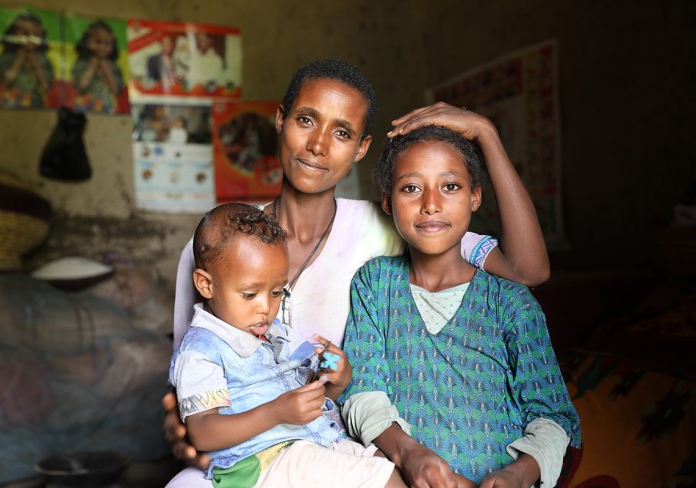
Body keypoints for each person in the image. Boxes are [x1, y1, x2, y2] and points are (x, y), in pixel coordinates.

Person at [164, 59, 551, 486]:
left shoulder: (394, 224)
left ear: (361, 148)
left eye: (342, 132)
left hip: (335, 452)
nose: (318, 145)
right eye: (306, 120)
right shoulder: (217, 246)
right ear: (280, 120)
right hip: (245, 453)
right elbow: (191, 372)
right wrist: (179, 429)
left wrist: (485, 132)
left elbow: (527, 268)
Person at [340, 125, 581, 487]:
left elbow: (553, 416)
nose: (431, 203)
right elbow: (362, 392)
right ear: (388, 202)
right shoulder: (375, 284)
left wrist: (518, 473)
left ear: (475, 197)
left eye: (450, 186)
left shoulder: (510, 301)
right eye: (411, 188)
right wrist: (407, 452)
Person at [170, 202, 405, 487]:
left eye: (277, 292)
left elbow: (317, 391)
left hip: (312, 440)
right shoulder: (201, 350)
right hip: (261, 460)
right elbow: (202, 432)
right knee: (382, 479)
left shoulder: (274, 332)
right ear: (206, 285)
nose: (265, 308)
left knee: (382, 462)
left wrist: (334, 374)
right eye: (249, 294)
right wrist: (275, 412)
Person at [0, 11, 54, 108]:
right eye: (25, 34)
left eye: (36, 35)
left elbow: (45, 85)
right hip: (12, 102)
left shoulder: (43, 59)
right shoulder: (7, 56)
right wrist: (19, 59)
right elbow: (5, 80)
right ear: (13, 34)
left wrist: (35, 62)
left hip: (36, 103)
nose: (30, 39)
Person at [71, 20, 125, 114]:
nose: (102, 47)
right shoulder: (82, 63)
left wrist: (106, 69)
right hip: (84, 106)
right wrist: (92, 66)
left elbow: (116, 90)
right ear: (87, 42)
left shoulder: (114, 66)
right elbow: (80, 87)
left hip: (108, 107)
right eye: (97, 42)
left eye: (107, 44)